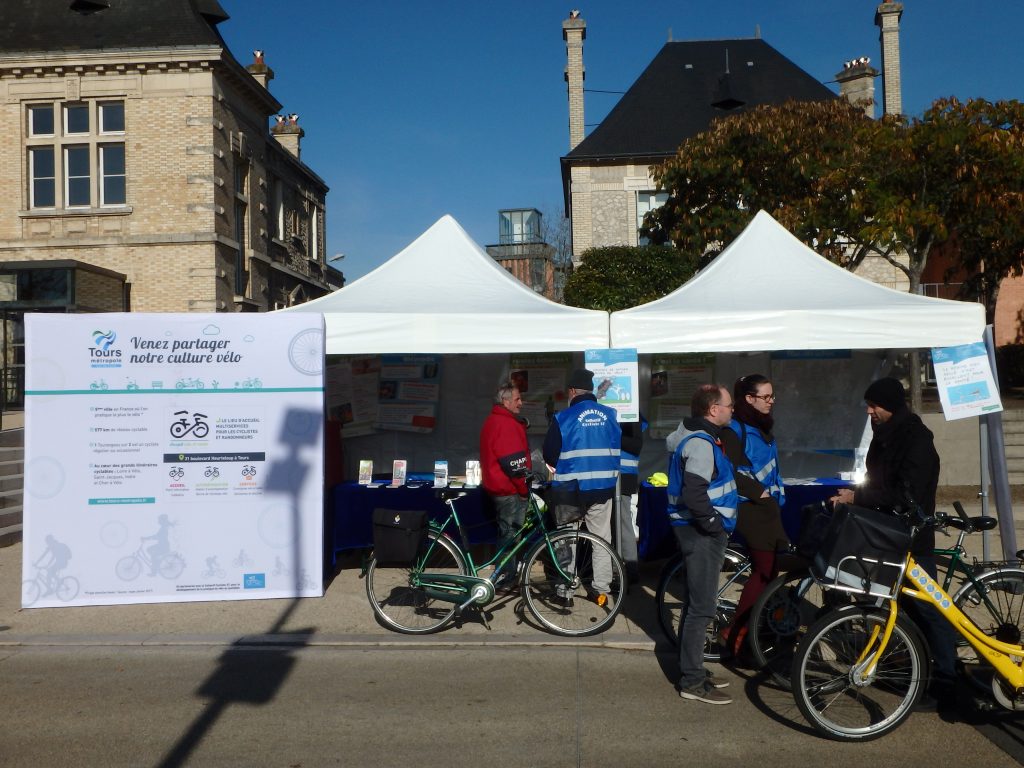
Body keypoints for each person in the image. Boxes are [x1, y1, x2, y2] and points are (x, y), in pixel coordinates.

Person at [830, 376, 958, 709]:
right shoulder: (885, 434)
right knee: (898, 606)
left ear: (890, 405)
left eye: (874, 405)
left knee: (930, 610)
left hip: (912, 539)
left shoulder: (915, 439)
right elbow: (879, 479)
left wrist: (859, 497)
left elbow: (907, 494)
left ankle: (948, 679)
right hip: (887, 533)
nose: (870, 412)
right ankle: (911, 668)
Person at [665, 383, 738, 705]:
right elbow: (695, 493)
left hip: (694, 529)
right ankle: (692, 681)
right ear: (713, 410)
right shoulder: (701, 443)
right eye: (729, 405)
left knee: (697, 605)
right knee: (702, 608)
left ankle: (691, 670)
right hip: (700, 532)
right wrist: (713, 526)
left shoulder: (694, 438)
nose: (732, 410)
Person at [719, 374, 790, 655]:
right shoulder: (734, 429)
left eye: (773, 396)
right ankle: (734, 632)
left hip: (767, 508)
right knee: (764, 570)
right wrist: (758, 493)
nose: (771, 402)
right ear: (749, 399)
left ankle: (756, 631)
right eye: (766, 397)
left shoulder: (762, 427)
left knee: (771, 571)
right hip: (749, 508)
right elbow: (731, 470)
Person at [543, 367, 621, 605]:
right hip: (602, 487)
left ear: (572, 391)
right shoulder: (610, 414)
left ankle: (565, 592)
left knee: (568, 540)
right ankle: (602, 591)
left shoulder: (563, 418)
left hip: (571, 490)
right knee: (602, 540)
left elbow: (550, 453)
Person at [480, 382, 532, 584]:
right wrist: (523, 489)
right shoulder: (505, 424)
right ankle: (504, 577)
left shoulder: (495, 420)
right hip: (509, 491)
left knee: (507, 534)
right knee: (510, 537)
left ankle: (505, 575)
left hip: (500, 489)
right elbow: (515, 464)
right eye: (517, 399)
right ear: (506, 401)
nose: (521, 403)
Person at [618, 414, 647, 584]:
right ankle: (625, 567)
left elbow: (636, 445)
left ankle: (630, 568)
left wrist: (611, 434)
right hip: (611, 474)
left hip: (624, 475)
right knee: (619, 523)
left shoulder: (631, 414)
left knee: (623, 522)